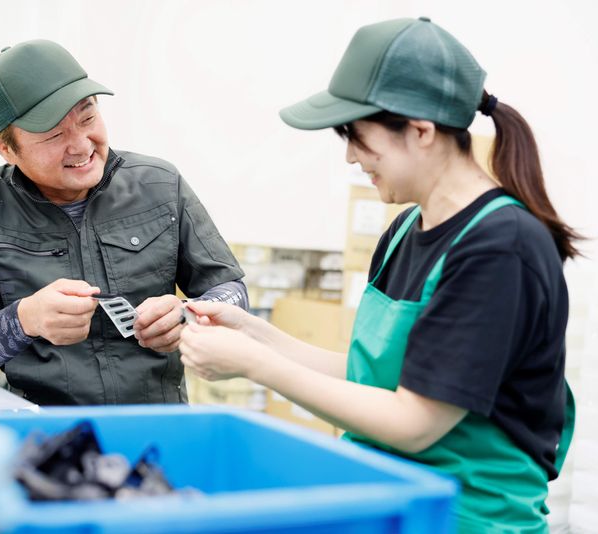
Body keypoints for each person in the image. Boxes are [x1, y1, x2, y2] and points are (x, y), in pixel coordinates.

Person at [179, 17, 576, 532]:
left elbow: (413, 423)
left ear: (421, 131)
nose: (350, 156)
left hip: (464, 517)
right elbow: (371, 378)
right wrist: (254, 334)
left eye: (359, 138)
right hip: (387, 500)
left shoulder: (500, 249)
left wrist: (256, 365)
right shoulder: (407, 227)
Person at [0, 40, 247, 406]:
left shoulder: (161, 185)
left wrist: (186, 315)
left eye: (87, 118)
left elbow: (232, 292)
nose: (81, 145)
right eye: (54, 135)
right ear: (6, 148)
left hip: (159, 425)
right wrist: (24, 320)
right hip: (44, 434)